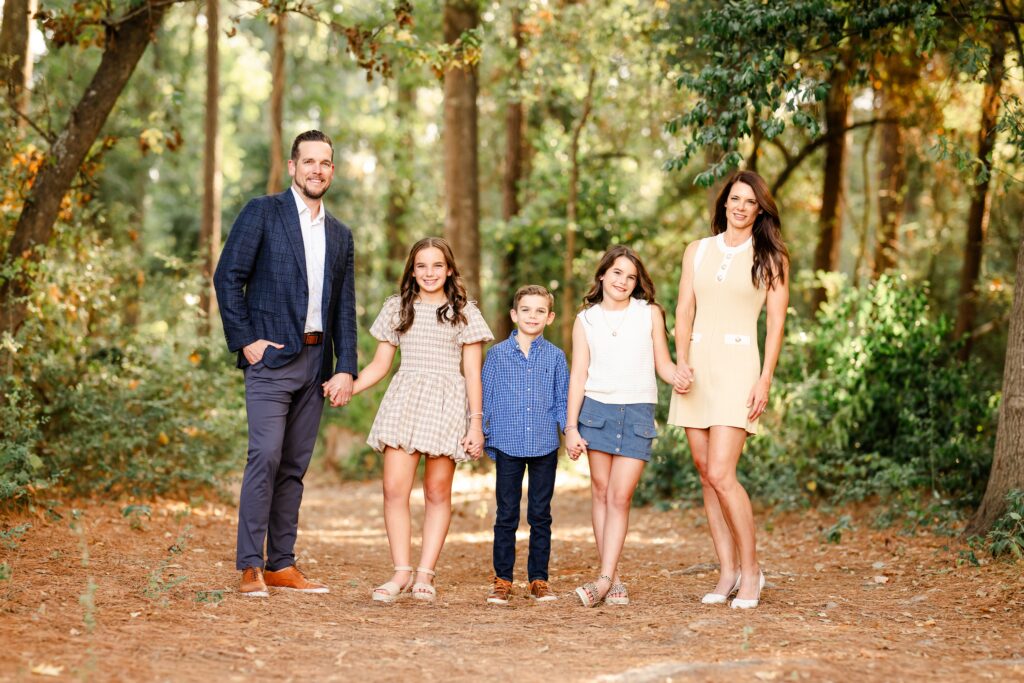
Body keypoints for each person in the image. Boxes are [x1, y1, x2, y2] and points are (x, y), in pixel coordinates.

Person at [213, 130, 357, 598]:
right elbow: (227, 276)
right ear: (293, 167)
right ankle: (250, 565)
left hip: (317, 362)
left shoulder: (340, 235)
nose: (317, 169)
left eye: (325, 162)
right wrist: (246, 341)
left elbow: (344, 308)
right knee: (266, 456)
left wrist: (345, 367)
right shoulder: (263, 212)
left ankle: (281, 563)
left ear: (332, 171)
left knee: (294, 465)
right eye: (309, 161)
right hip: (271, 359)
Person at [339, 236, 493, 603]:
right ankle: (401, 572)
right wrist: (348, 388)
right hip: (406, 400)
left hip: (446, 403)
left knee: (437, 492)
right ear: (412, 270)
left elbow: (473, 373)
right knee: (394, 489)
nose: (429, 273)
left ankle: (426, 573)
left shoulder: (464, 311)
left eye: (437, 265)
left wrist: (475, 424)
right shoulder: (398, 308)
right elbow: (380, 366)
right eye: (421, 266)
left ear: (450, 269)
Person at [667, 170, 789, 610]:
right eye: (734, 199)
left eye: (749, 202)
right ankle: (727, 571)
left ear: (760, 210)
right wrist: (681, 360)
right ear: (724, 203)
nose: (740, 207)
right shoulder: (697, 251)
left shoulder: (771, 256)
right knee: (705, 473)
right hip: (697, 367)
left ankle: (753, 570)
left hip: (740, 365)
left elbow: (775, 324)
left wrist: (766, 378)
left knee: (722, 472)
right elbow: (684, 309)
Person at [564, 246, 684, 607]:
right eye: (617, 273)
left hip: (637, 411)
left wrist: (679, 375)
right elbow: (579, 374)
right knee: (600, 492)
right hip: (596, 409)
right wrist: (571, 426)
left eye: (631, 277)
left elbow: (664, 364)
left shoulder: (649, 314)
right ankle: (611, 577)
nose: (623, 281)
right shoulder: (585, 320)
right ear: (603, 275)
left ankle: (602, 578)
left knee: (620, 496)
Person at [481, 285, 569, 605]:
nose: (533, 316)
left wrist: (569, 431)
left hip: (544, 442)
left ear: (550, 317)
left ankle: (538, 579)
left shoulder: (556, 357)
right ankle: (503, 578)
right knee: (506, 513)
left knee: (540, 514)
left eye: (540, 311)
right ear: (514, 315)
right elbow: (485, 396)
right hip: (507, 441)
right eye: (526, 310)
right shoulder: (497, 355)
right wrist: (480, 432)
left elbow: (562, 400)